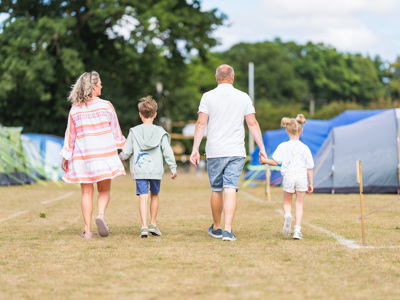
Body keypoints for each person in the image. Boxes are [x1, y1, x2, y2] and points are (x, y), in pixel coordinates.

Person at [190, 64, 267, 242]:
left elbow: (201, 123)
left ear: (216, 78)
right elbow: (253, 123)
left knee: (216, 190)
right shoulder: (243, 97)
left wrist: (195, 149)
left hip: (215, 151)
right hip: (236, 151)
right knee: (230, 188)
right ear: (232, 78)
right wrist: (261, 148)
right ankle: (228, 230)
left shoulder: (207, 96)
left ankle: (216, 227)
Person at [61, 71, 126, 239]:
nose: (102, 86)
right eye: (100, 84)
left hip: (84, 157)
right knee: (104, 190)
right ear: (94, 87)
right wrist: (123, 150)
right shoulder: (107, 105)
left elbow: (70, 136)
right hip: (105, 155)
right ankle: (101, 216)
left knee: (86, 193)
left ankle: (88, 230)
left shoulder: (75, 109)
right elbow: (116, 132)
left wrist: (66, 156)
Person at [119, 96, 177, 238]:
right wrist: (173, 167)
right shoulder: (161, 132)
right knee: (155, 195)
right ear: (155, 114)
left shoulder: (134, 131)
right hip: (156, 171)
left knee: (143, 197)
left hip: (140, 170)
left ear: (140, 115)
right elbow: (167, 151)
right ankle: (153, 223)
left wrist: (120, 159)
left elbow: (126, 151)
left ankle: (144, 226)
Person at [260, 114, 314, 240]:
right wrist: (311, 183)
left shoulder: (283, 146)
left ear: (286, 130)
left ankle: (288, 215)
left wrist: (264, 160)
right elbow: (309, 168)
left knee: (287, 202)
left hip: (288, 176)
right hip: (301, 177)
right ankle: (297, 231)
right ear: (301, 130)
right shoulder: (305, 148)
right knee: (299, 203)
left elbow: (275, 162)